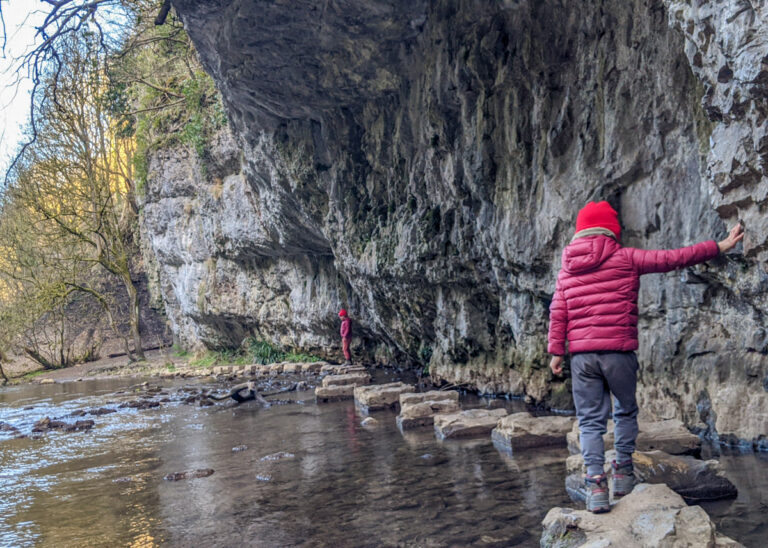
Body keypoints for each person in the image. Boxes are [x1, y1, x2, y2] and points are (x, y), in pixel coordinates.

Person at [547, 201, 744, 513]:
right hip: (619, 354)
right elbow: (672, 259)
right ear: (610, 230)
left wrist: (557, 352)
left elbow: (558, 312)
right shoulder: (625, 257)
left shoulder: (567, 269)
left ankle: (596, 486)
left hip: (582, 357)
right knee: (624, 410)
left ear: (579, 232)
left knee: (589, 422)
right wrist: (718, 246)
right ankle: (623, 473)